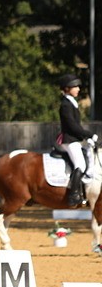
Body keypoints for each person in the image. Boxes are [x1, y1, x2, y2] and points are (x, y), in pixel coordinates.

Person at [56, 73, 95, 207]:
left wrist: (86, 137)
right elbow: (72, 126)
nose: (78, 89)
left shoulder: (72, 103)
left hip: (75, 139)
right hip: (69, 140)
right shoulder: (66, 105)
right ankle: (73, 195)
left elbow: (76, 126)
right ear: (67, 88)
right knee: (81, 165)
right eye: (75, 86)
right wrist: (88, 134)